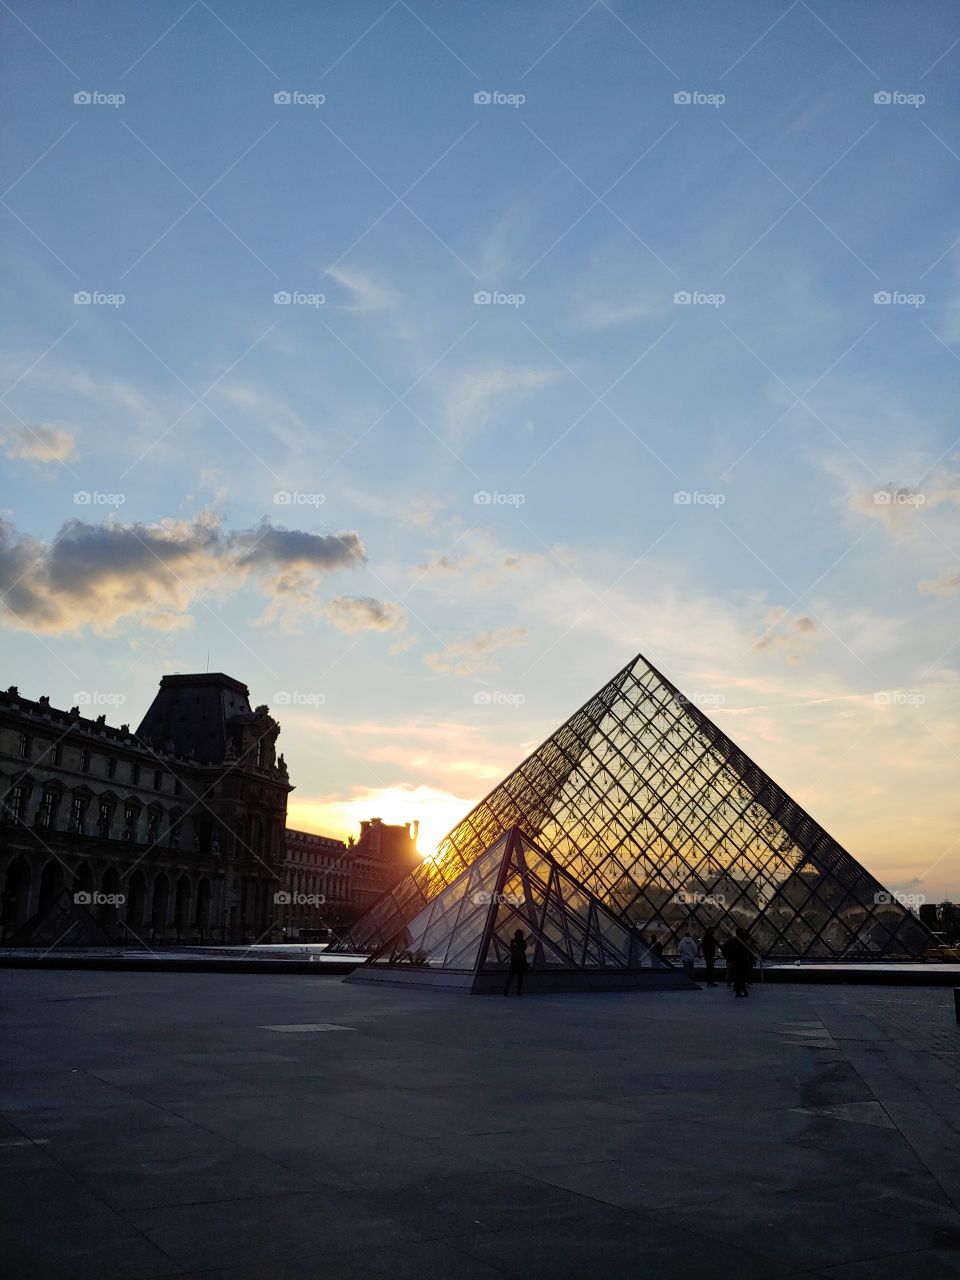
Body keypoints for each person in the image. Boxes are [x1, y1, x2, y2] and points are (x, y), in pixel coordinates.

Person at [504, 928, 528, 996]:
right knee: (518, 978)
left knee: (512, 978)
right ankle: (517, 992)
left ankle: (507, 991)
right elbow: (523, 949)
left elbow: (513, 950)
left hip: (515, 962)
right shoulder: (522, 942)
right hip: (519, 962)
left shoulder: (514, 941)